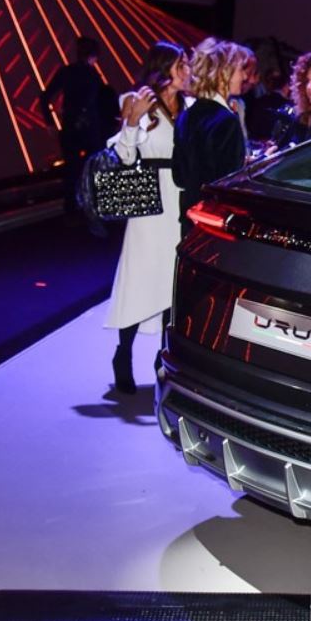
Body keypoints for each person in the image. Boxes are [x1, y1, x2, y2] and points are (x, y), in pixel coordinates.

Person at [103, 41, 191, 394]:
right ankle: (123, 354)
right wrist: (132, 120)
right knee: (138, 280)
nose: (187, 71)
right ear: (165, 67)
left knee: (172, 282)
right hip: (148, 203)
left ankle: (161, 358)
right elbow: (124, 156)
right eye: (182, 65)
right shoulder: (135, 99)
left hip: (180, 200)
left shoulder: (189, 106)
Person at [173, 38, 250, 237]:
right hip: (216, 224)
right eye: (240, 69)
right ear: (224, 73)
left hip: (190, 220)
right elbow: (228, 187)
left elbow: (179, 176)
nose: (244, 76)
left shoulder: (185, 116)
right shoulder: (226, 121)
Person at [42, 37, 118, 219]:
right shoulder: (93, 76)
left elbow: (44, 97)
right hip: (91, 130)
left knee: (71, 171)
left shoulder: (66, 72)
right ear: (93, 56)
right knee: (93, 168)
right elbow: (102, 104)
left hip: (70, 128)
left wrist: (50, 123)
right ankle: (93, 208)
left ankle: (72, 210)